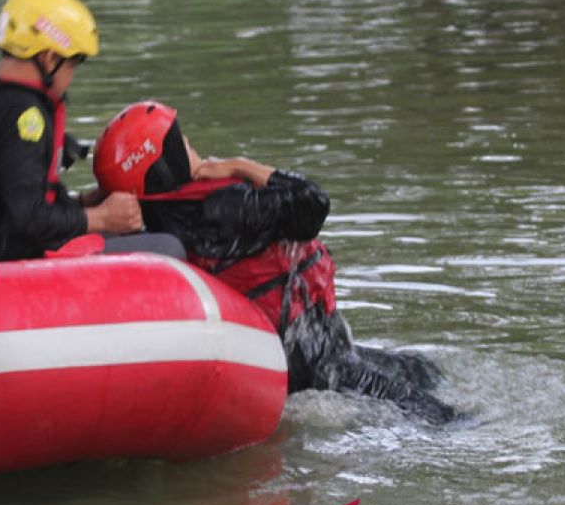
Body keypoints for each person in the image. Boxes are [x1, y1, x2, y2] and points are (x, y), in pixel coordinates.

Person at [93, 101, 459, 424]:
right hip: (311, 358)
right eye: (180, 141)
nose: (190, 144)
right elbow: (312, 202)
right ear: (164, 163)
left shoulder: (160, 217)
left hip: (295, 349)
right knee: (440, 416)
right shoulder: (224, 206)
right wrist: (238, 166)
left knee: (421, 369)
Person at [0, 0, 183, 273]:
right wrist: (100, 218)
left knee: (131, 236)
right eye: (73, 64)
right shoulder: (27, 118)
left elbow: (7, 200)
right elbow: (28, 219)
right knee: (168, 249)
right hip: (2, 273)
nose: (71, 76)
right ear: (49, 58)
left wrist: (85, 203)